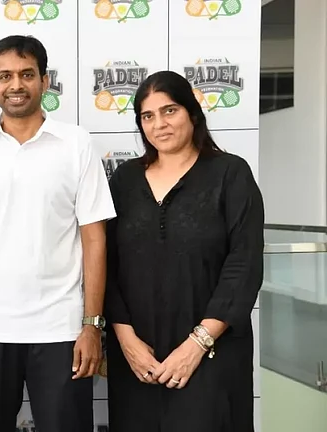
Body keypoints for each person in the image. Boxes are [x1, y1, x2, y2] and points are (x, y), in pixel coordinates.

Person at [0, 35, 116, 431]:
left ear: (44, 81)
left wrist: (91, 325)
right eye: (5, 76)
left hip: (61, 328)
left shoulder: (76, 144)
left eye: (26, 74)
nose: (15, 85)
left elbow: (94, 240)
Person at [104, 70, 264, 432]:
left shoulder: (230, 174)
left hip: (212, 353)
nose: (159, 124)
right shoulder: (125, 180)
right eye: (147, 116)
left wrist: (197, 345)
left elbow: (244, 265)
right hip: (138, 359)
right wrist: (126, 340)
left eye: (169, 111)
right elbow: (106, 265)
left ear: (192, 113)